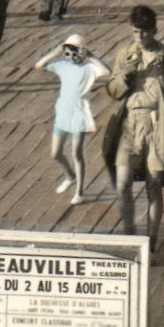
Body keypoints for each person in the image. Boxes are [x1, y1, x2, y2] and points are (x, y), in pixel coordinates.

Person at [101, 6, 164, 251]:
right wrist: (124, 76)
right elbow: (112, 90)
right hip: (129, 125)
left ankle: (151, 240)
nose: (140, 37)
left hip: (157, 126)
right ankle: (129, 234)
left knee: (154, 185)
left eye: (144, 32)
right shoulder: (125, 54)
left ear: (154, 30)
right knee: (122, 182)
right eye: (135, 32)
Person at [34, 33, 110, 205]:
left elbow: (107, 72)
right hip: (63, 112)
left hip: (79, 113)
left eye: (74, 53)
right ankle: (70, 176)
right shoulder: (63, 66)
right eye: (67, 53)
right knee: (56, 153)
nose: (70, 57)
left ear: (81, 52)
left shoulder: (89, 68)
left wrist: (91, 56)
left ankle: (79, 192)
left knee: (76, 152)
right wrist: (56, 51)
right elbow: (39, 65)